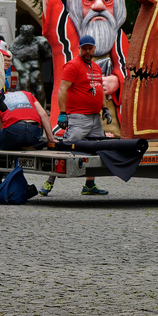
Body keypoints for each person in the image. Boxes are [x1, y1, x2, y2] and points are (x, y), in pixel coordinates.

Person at [51, 35, 113, 196]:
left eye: (90, 48)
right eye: (84, 48)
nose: (87, 51)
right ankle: (49, 182)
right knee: (67, 151)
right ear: (79, 48)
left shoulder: (97, 68)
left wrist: (105, 109)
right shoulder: (72, 66)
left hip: (95, 118)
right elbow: (63, 89)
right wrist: (63, 114)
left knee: (97, 151)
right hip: (78, 118)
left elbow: (99, 90)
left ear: (94, 49)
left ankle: (90, 185)